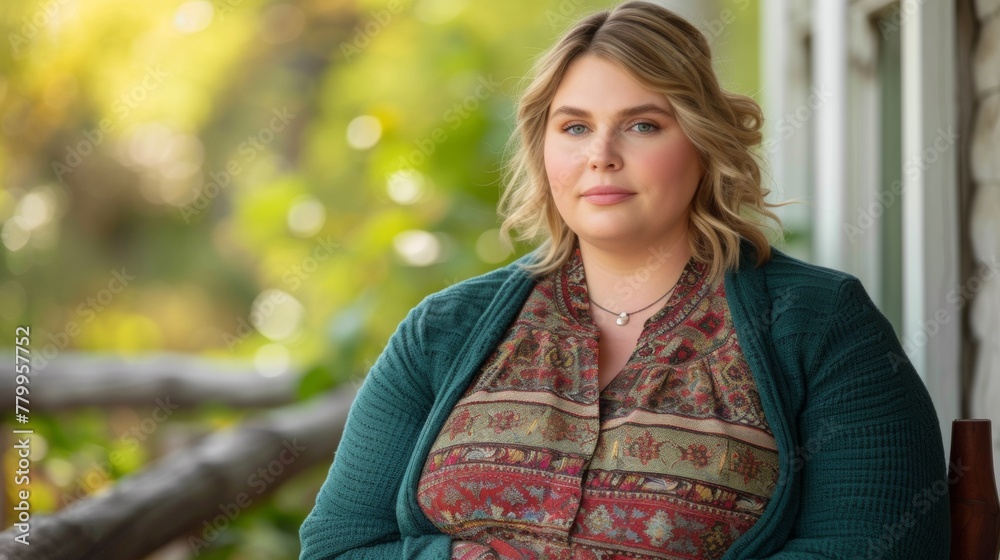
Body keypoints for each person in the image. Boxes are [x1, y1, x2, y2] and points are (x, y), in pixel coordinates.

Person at [299, 2, 950, 558]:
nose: (601, 155)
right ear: (543, 148)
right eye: (575, 126)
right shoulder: (445, 330)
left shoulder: (820, 322)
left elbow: (873, 547)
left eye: (643, 125)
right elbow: (338, 545)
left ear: (702, 141)